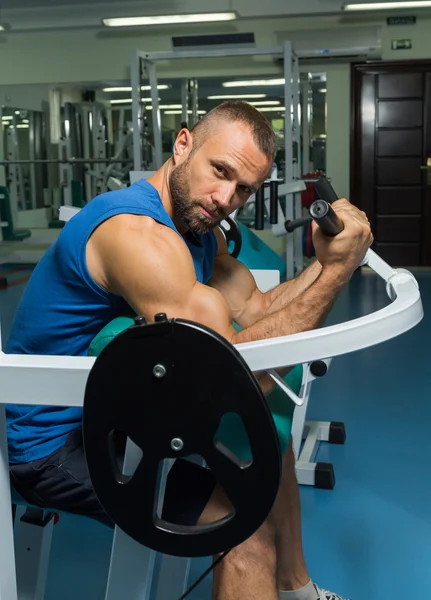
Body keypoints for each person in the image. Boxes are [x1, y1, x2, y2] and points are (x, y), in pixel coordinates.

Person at [7, 101, 372, 600]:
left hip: (109, 413)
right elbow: (228, 383)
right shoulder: (137, 238)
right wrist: (336, 275)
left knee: (268, 441)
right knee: (246, 525)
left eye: (243, 188)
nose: (225, 198)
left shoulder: (197, 230)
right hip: (51, 446)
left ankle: (295, 589)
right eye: (219, 171)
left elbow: (257, 306)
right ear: (183, 145)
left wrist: (330, 262)